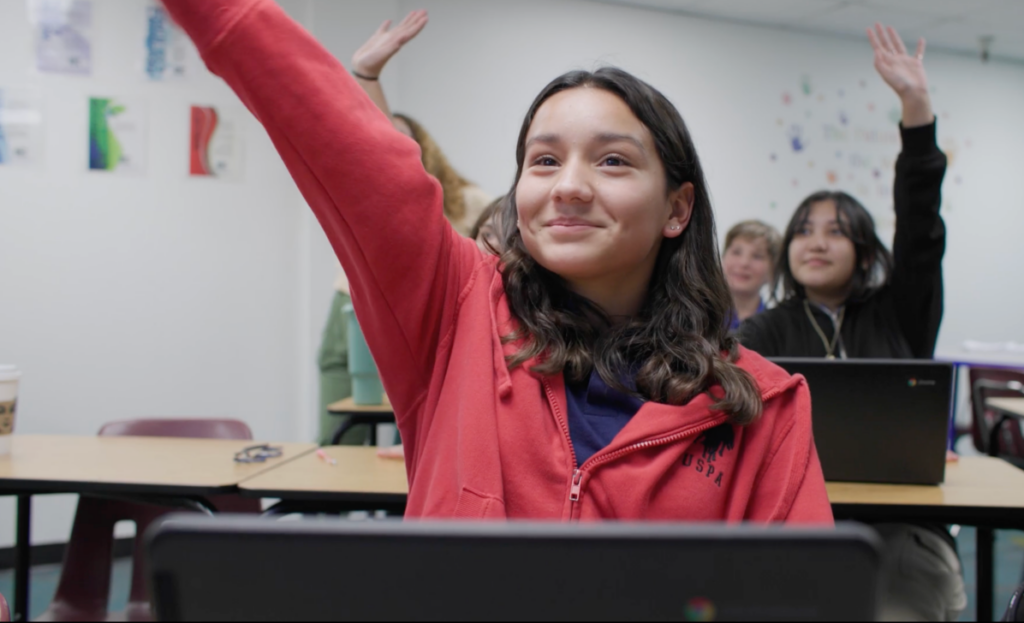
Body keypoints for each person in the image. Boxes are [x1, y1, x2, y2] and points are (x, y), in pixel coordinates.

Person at [162, 0, 832, 523]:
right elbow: (344, 145)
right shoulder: (453, 312)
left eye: (613, 160)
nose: (568, 185)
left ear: (677, 209)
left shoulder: (764, 405)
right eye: (543, 160)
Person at [739, 24, 964, 620]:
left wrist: (916, 110)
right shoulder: (762, 334)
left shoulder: (899, 315)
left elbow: (922, 231)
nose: (816, 243)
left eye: (836, 232)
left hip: (900, 530)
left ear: (864, 253)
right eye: (805, 231)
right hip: (793, 523)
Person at [317, 12, 491, 445]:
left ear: (421, 148)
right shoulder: (372, 200)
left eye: (399, 138)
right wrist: (364, 74)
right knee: (342, 440)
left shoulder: (471, 203)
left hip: (430, 324)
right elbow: (364, 141)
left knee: (417, 439)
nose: (387, 145)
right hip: (354, 315)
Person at [722, 220, 780, 331]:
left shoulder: (776, 329)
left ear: (773, 270)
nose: (744, 263)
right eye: (736, 252)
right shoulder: (698, 316)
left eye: (757, 256)